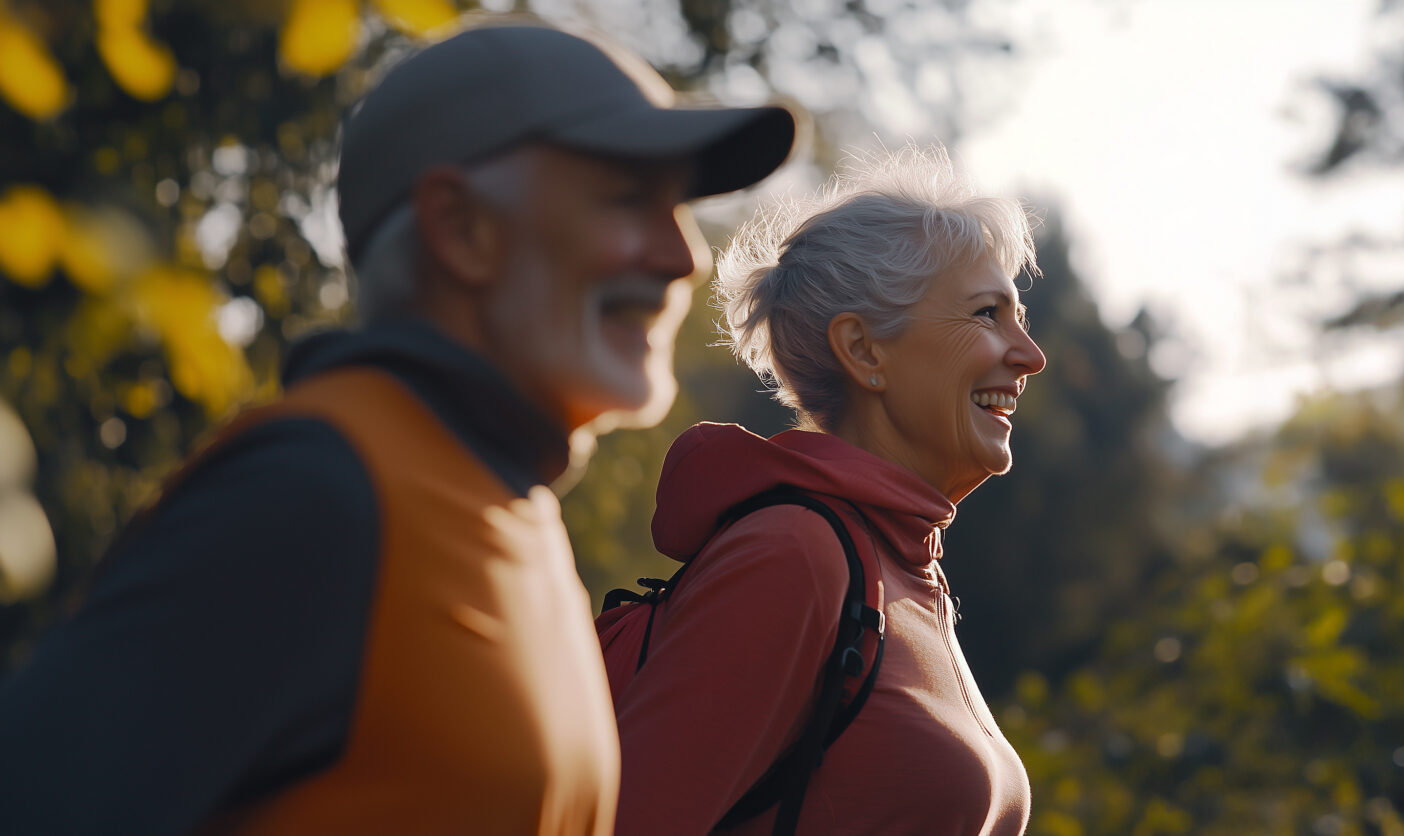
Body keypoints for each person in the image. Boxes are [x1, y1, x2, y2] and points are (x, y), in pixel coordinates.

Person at [0, 23, 797, 835]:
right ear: (460, 229)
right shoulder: (314, 495)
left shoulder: (507, 506)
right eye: (630, 200)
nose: (685, 258)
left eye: (681, 209)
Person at [601, 147, 1043, 836]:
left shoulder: (907, 570)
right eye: (987, 314)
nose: (1029, 355)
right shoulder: (794, 556)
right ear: (865, 352)